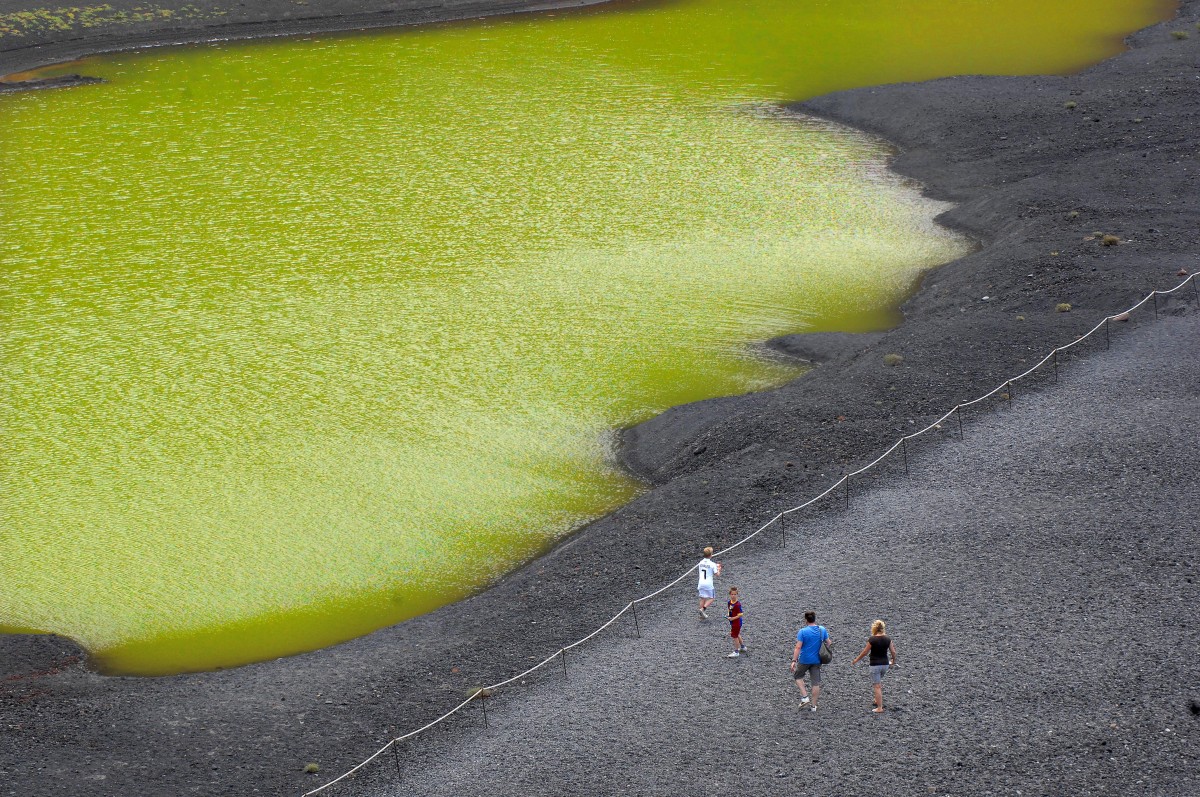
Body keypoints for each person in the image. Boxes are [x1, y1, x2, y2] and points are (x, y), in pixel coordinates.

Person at [850, 619, 898, 713]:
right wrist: (893, 660)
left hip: (875, 665)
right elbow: (893, 651)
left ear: (874, 628)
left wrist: (856, 660)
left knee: (877, 686)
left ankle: (879, 707)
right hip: (885, 664)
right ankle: (877, 699)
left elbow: (865, 652)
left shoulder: (872, 639)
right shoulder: (888, 639)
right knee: (878, 683)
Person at [790, 610, 830, 711]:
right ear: (814, 619)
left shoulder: (802, 632)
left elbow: (798, 647)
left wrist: (794, 660)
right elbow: (829, 642)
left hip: (804, 659)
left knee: (798, 676)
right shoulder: (822, 629)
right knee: (815, 683)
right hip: (817, 660)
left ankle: (805, 697)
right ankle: (813, 706)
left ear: (806, 620)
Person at [696, 546, 721, 619]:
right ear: (711, 555)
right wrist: (719, 568)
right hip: (708, 584)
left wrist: (715, 566)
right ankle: (703, 609)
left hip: (701, 583)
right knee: (712, 598)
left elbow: (706, 567)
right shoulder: (712, 564)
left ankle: (701, 616)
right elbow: (717, 574)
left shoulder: (700, 563)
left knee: (702, 598)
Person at [725, 587, 747, 657]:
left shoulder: (738, 604)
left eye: (735, 594)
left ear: (737, 595)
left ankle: (736, 651)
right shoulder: (729, 602)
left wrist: (732, 618)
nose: (733, 596)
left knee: (735, 636)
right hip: (733, 622)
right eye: (732, 594)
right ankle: (743, 647)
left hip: (736, 623)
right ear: (730, 595)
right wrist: (728, 615)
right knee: (737, 634)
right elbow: (730, 610)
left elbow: (740, 614)